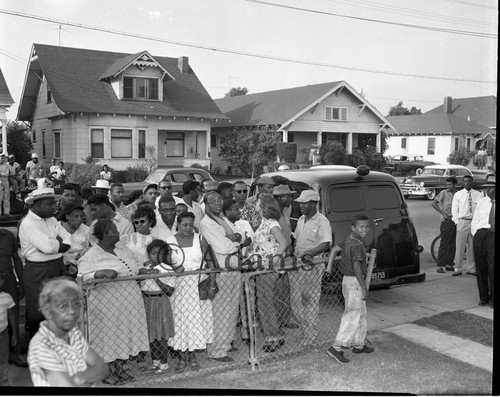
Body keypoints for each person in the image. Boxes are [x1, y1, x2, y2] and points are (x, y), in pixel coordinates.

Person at [78, 220, 150, 385]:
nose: (118, 234)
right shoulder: (91, 256)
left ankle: (120, 369)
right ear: (104, 236)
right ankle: (106, 372)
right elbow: (81, 277)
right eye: (114, 232)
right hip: (107, 305)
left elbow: (136, 266)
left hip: (130, 301)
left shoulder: (124, 249)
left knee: (123, 335)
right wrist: (98, 273)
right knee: (108, 336)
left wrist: (143, 271)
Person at [27, 277, 108, 386]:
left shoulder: (72, 332)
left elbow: (102, 368)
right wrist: (91, 374)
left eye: (76, 303)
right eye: (63, 306)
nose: (72, 311)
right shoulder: (41, 346)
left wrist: (78, 378)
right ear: (47, 311)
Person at [166, 212, 216, 371]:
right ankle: (181, 357)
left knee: (196, 321)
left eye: (190, 224)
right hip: (178, 288)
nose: (188, 228)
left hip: (198, 286)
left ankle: (193, 356)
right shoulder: (170, 241)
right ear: (178, 225)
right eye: (184, 225)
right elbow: (164, 264)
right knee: (180, 322)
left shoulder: (200, 239)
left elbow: (211, 263)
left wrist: (213, 285)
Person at [19, 187, 72, 337]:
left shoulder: (53, 219)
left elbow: (69, 239)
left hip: (57, 267)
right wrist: (57, 245)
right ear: (36, 205)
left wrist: (55, 246)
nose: (54, 207)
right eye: (49, 204)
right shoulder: (28, 223)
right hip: (38, 271)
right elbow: (48, 248)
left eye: (54, 203)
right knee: (39, 312)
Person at [199, 192, 242, 363]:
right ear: (206, 205)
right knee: (220, 312)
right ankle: (216, 350)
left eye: (219, 200)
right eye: (212, 201)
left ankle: (226, 343)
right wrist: (236, 240)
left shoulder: (222, 219)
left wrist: (234, 238)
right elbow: (223, 247)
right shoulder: (206, 222)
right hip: (221, 270)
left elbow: (244, 235)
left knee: (232, 309)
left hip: (234, 270)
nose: (217, 203)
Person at [327, 214, 374, 364]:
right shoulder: (357, 245)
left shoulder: (349, 239)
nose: (365, 229)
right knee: (352, 314)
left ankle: (358, 344)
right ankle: (336, 347)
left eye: (367, 226)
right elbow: (356, 267)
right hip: (354, 282)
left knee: (361, 313)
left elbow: (334, 249)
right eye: (361, 227)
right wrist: (363, 287)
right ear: (353, 228)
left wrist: (328, 268)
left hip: (349, 282)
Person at [289, 190, 332, 347]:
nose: (301, 206)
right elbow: (296, 240)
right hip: (298, 265)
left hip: (312, 265)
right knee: (296, 301)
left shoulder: (322, 221)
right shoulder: (301, 219)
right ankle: (306, 330)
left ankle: (310, 334)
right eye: (300, 203)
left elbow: (326, 243)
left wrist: (311, 252)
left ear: (314, 204)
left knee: (310, 300)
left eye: (305, 203)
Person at [250, 194, 288, 352]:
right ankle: (274, 334)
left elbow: (283, 242)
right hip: (261, 267)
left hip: (268, 268)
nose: (256, 204)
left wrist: (274, 260)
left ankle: (273, 337)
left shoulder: (271, 223)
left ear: (265, 205)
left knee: (266, 304)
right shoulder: (263, 223)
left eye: (258, 202)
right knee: (265, 303)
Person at [138, 239, 175, 373]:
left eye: (160, 253)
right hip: (147, 301)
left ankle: (164, 363)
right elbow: (138, 281)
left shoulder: (167, 268)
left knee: (161, 335)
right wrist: (142, 273)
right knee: (151, 334)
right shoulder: (144, 267)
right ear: (149, 254)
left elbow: (170, 291)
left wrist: (156, 278)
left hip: (160, 301)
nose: (157, 256)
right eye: (153, 253)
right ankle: (155, 361)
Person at [0, 228, 27, 368]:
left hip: (8, 280)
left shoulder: (8, 235)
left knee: (13, 315)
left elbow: (16, 259)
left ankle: (14, 354)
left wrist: (20, 283)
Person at [273, 184, 298, 329]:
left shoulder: (285, 212)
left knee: (285, 290)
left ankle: (284, 319)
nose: (290, 199)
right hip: (278, 256)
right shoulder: (275, 215)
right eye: (287, 196)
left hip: (286, 254)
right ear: (279, 198)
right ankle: (277, 321)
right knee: (277, 290)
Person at [451, 175, 482, 276]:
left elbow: (480, 209)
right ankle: (458, 268)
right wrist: (457, 222)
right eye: (465, 181)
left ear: (472, 182)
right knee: (460, 246)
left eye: (469, 181)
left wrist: (478, 222)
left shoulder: (478, 194)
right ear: (462, 183)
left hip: (474, 222)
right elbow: (454, 209)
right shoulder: (458, 195)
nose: (467, 183)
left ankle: (471, 268)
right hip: (462, 222)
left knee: (472, 246)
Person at [471, 178, 495, 308]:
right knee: (481, 268)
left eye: (492, 187)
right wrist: (476, 234)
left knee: (493, 267)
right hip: (481, 234)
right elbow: (475, 220)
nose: (489, 190)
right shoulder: (481, 202)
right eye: (487, 188)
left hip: (493, 234)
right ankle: (484, 297)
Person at [431, 177, 458, 273]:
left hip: (456, 221)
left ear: (455, 185)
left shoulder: (459, 193)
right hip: (447, 221)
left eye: (450, 185)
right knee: (444, 244)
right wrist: (443, 213)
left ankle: (449, 264)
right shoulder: (443, 193)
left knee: (453, 244)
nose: (448, 186)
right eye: (447, 185)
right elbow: (433, 203)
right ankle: (440, 266)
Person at [59, 202, 90, 278]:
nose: (79, 219)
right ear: (67, 217)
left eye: (81, 216)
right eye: (76, 216)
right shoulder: (56, 228)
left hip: (79, 267)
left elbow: (89, 249)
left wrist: (75, 262)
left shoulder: (86, 230)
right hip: (59, 267)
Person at [0, 276, 18, 386]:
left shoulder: (7, 297)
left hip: (3, 335)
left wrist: (15, 334)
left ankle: (4, 382)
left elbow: (11, 316)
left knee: (3, 360)